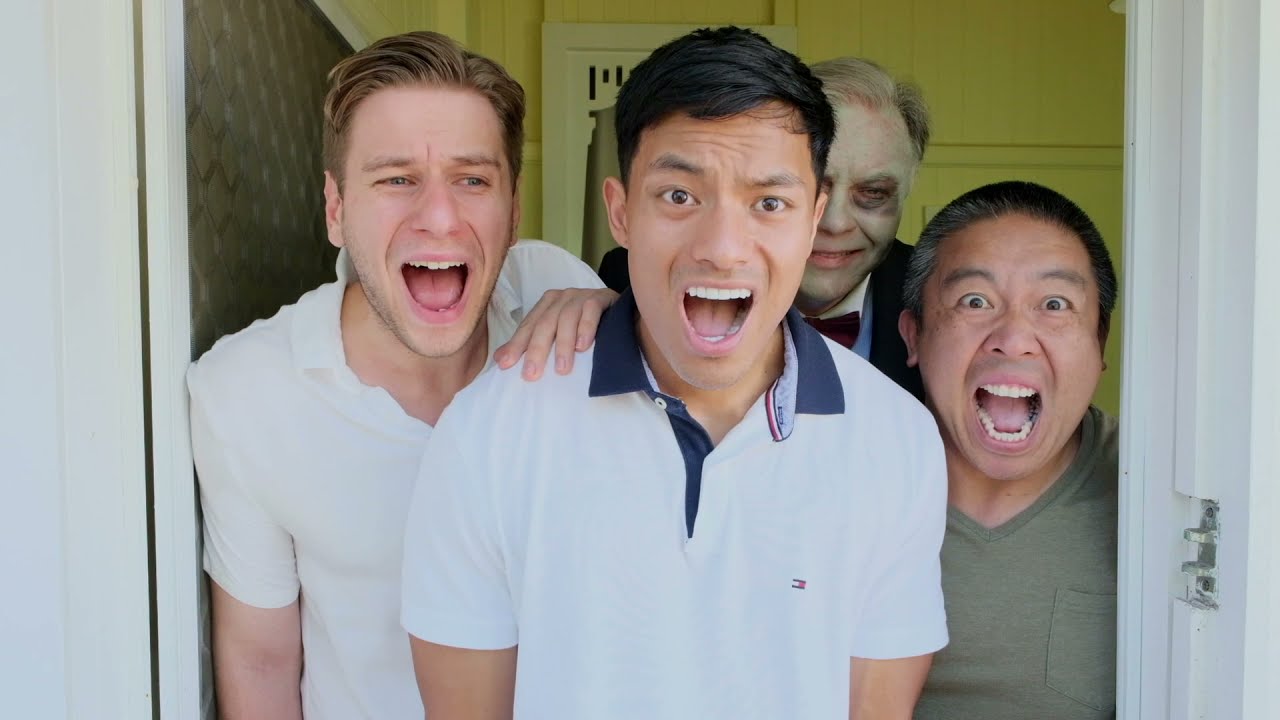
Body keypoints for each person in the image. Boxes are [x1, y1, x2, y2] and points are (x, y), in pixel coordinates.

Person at [401, 27, 949, 719]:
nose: (722, 248)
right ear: (621, 211)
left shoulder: (898, 440)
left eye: (769, 203)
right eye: (679, 197)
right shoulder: (489, 431)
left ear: (812, 222)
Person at [188, 32, 614, 719]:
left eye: (472, 180)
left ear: (513, 210)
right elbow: (260, 660)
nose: (439, 219)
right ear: (336, 209)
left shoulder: (556, 291)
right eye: (396, 179)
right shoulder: (246, 390)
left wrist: (617, 315)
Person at [897, 181, 1119, 719]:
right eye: (975, 301)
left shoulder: (1160, 492)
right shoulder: (840, 480)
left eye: (1055, 304)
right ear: (914, 336)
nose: (1014, 338)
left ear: (1100, 344)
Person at [597, 56, 930, 400]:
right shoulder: (626, 282)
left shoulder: (936, 295)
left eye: (873, 194)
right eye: (816, 188)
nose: (834, 223)